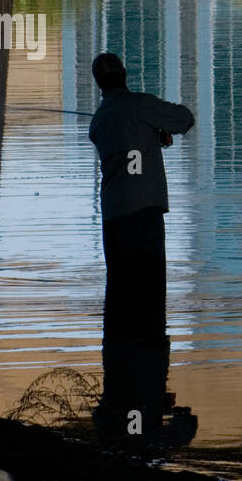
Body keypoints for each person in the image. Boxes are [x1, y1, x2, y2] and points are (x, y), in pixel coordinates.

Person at [87, 52, 194, 342]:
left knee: (120, 290)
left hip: (113, 215)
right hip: (144, 211)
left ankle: (122, 361)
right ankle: (151, 360)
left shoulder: (97, 123)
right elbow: (185, 119)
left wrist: (150, 133)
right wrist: (158, 130)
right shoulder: (141, 105)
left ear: (99, 83)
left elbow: (125, 144)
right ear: (124, 74)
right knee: (150, 289)